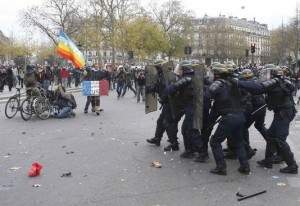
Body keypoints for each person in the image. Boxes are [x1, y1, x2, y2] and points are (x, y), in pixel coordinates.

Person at [234, 64, 298, 174]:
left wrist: (238, 82)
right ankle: (268, 161)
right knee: (270, 135)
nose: (264, 76)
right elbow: (291, 88)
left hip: (284, 112)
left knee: (279, 138)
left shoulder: (274, 82)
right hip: (283, 111)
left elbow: (259, 88)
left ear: (272, 74)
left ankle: (292, 165)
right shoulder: (282, 81)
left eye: (266, 74)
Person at [208, 63, 250, 175]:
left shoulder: (219, 83)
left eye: (214, 72)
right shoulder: (234, 83)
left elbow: (207, 95)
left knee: (215, 141)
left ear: (218, 74)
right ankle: (245, 166)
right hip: (240, 116)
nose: (213, 75)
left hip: (229, 117)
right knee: (238, 142)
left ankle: (221, 167)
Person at [163, 60, 204, 159]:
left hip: (191, 106)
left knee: (191, 129)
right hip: (195, 105)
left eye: (181, 69)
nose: (179, 71)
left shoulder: (186, 79)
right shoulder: (196, 77)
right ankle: (190, 150)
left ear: (185, 70)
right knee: (186, 129)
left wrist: (167, 86)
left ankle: (202, 152)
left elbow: (171, 89)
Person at [146, 59, 181, 151]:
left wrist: (153, 89)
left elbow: (166, 89)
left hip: (170, 102)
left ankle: (174, 144)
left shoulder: (167, 76)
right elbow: (159, 86)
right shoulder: (164, 75)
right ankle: (157, 138)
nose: (156, 69)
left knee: (167, 122)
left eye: (157, 67)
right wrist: (151, 88)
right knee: (161, 121)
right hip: (168, 102)